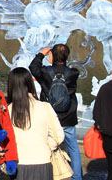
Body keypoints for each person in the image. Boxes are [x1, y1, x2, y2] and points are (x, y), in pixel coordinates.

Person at [29, 44, 82, 180]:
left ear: (51, 55)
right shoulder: (74, 73)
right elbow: (62, 70)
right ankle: (76, 177)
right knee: (74, 148)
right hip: (68, 117)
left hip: (49, 117)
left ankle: (50, 175)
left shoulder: (45, 72)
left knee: (48, 147)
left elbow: (33, 68)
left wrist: (41, 54)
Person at [7, 67, 64, 179]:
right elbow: (59, 135)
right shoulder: (44, 107)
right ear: (29, 84)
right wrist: (48, 146)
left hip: (18, 164)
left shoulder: (7, 110)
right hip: (42, 161)